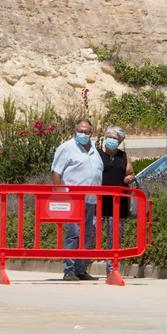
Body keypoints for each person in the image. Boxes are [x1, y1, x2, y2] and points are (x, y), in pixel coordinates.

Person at [52, 118, 104, 281]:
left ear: (91, 133)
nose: (83, 134)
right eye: (80, 131)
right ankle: (69, 269)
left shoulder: (94, 150)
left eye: (86, 132)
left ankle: (81, 269)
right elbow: (56, 173)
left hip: (91, 200)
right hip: (72, 199)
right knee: (73, 234)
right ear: (75, 131)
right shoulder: (66, 148)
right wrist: (60, 195)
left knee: (88, 234)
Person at [99, 125, 135, 277]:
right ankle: (83, 265)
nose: (111, 140)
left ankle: (112, 267)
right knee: (92, 233)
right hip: (99, 200)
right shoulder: (97, 154)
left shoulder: (123, 156)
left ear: (120, 141)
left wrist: (129, 178)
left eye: (115, 138)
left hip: (117, 202)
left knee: (115, 235)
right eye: (109, 137)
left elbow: (130, 173)